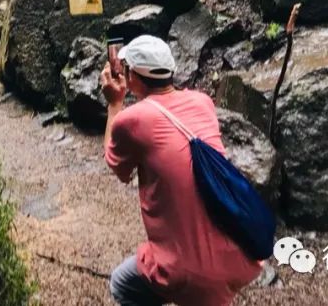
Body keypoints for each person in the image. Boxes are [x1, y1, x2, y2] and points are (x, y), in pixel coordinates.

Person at [101, 35, 262, 306]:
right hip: (243, 250)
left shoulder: (131, 120)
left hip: (190, 270)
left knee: (123, 283)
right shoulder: (202, 102)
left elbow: (117, 166)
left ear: (134, 78)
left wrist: (115, 104)